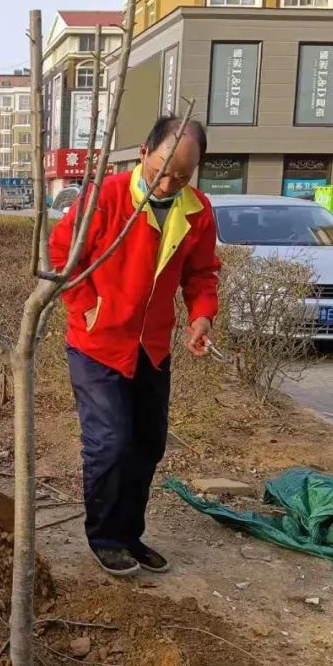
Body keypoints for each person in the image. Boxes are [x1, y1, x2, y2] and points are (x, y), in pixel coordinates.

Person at [49, 116, 220, 577]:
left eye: (182, 177)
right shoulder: (103, 198)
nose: (168, 184)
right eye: (162, 170)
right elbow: (63, 253)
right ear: (144, 152)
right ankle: (104, 537)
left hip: (152, 346)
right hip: (97, 344)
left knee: (146, 443)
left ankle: (129, 535)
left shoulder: (197, 211)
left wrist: (202, 315)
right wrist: (87, 307)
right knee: (109, 442)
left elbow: (202, 274)